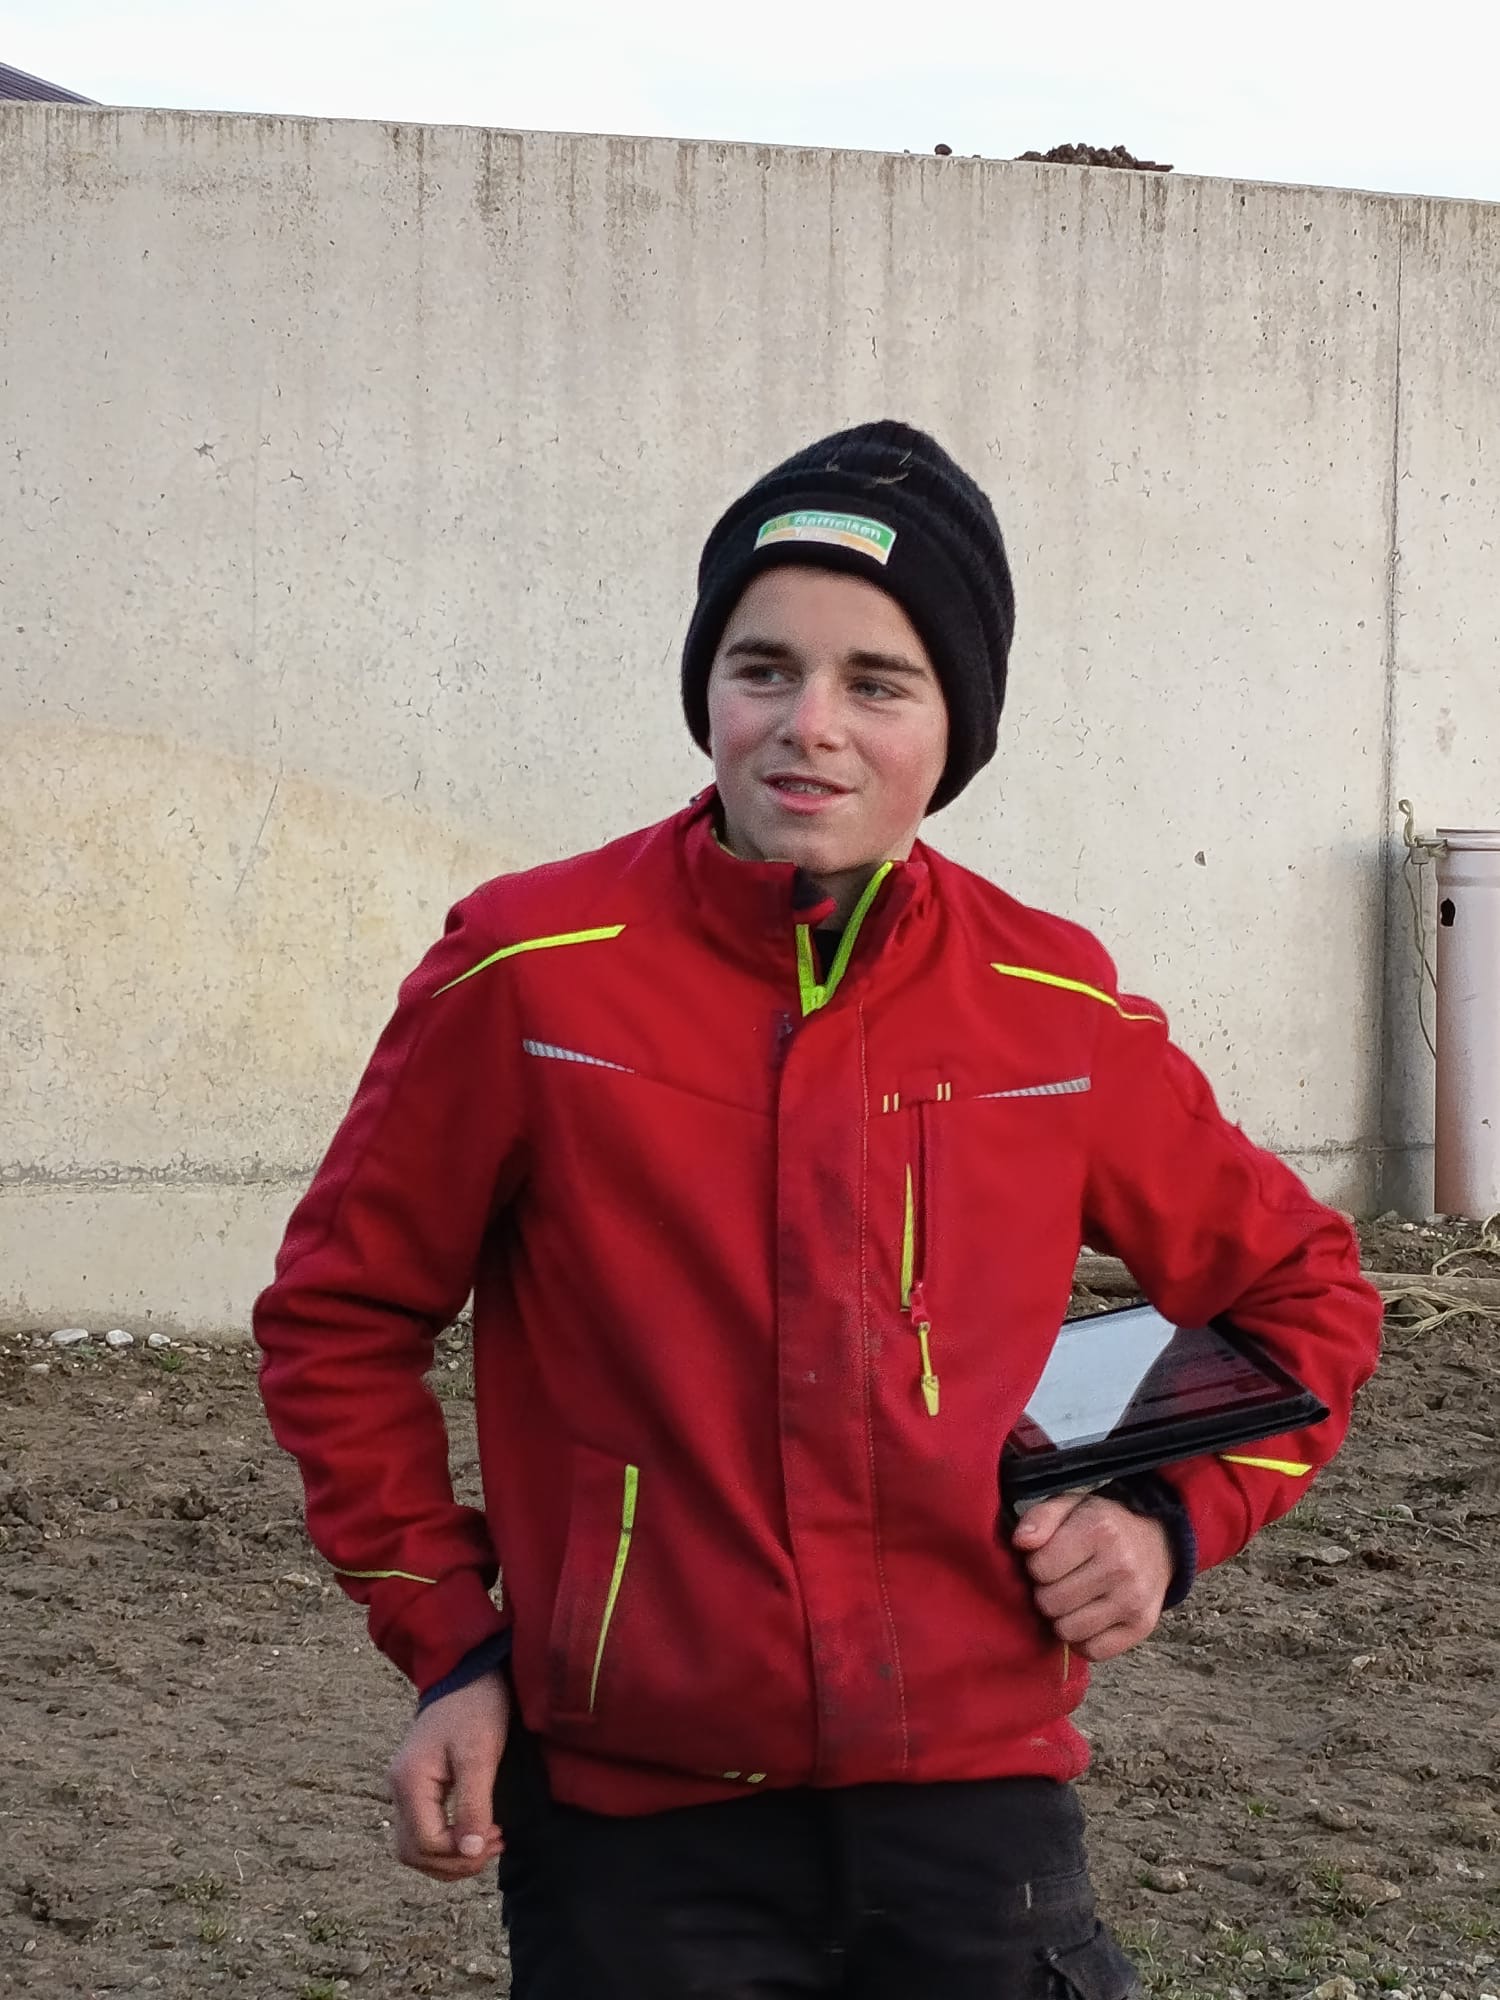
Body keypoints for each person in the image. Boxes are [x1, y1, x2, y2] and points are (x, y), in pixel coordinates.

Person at [254, 421, 1383, 1998]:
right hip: (636, 1832)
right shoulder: (530, 975)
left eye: (879, 682)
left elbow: (1305, 1295)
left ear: (958, 723)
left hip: (973, 1810)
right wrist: (452, 1640)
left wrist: (1167, 1522)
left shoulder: (1050, 1003)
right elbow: (339, 1319)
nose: (811, 727)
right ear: (706, 687)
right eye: (763, 667)